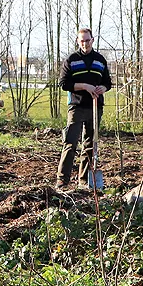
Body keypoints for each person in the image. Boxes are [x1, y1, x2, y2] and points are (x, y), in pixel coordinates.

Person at [56, 28, 112, 187]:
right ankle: (62, 181)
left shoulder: (100, 60)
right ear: (78, 41)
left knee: (89, 145)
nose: (85, 43)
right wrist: (84, 86)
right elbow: (64, 83)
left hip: (95, 107)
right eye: (82, 41)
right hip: (77, 106)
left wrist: (103, 88)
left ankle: (84, 181)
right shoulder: (71, 60)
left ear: (92, 40)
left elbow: (108, 82)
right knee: (70, 142)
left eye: (87, 40)